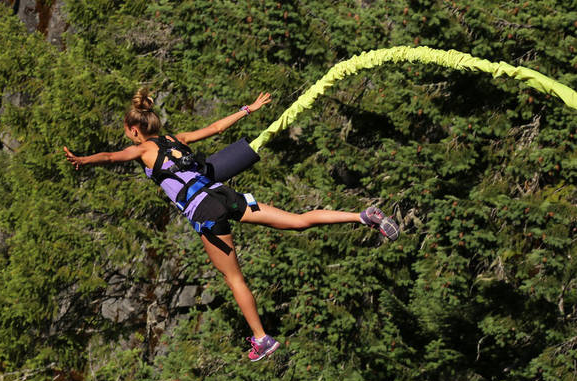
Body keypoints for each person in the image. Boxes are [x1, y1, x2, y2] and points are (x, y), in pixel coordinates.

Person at [63, 89, 399, 362]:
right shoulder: (175, 138)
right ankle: (362, 216)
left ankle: (262, 338)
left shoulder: (142, 150)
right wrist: (248, 109)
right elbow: (215, 130)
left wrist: (83, 159)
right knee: (298, 221)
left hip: (206, 211)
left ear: (134, 131)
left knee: (233, 277)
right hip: (224, 194)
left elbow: (110, 157)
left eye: (128, 134)